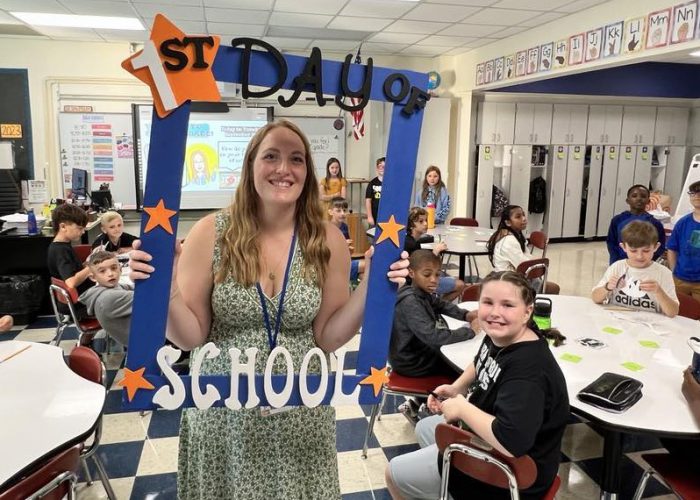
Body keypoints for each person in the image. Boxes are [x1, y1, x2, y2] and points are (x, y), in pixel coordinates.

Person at [129, 119, 409, 499]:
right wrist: (162, 291)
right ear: (250, 166)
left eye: (296, 159)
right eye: (271, 156)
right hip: (224, 412)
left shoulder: (327, 239)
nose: (283, 169)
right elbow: (189, 335)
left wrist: (372, 286)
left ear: (307, 172)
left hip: (300, 412)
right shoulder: (211, 232)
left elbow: (328, 337)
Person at [385, 271, 570, 500]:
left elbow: (511, 441)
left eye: (507, 305)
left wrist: (462, 408)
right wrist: (457, 387)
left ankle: (451, 484)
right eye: (488, 302)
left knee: (393, 473)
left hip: (513, 475)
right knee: (424, 428)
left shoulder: (528, 373)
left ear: (527, 312)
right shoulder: (503, 335)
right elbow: (482, 358)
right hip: (495, 444)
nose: (495, 313)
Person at [390, 250, 476, 379]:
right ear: (411, 273)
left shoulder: (419, 291)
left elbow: (440, 304)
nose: (434, 280)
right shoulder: (411, 301)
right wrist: (470, 331)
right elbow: (433, 336)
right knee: (468, 368)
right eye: (427, 275)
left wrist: (466, 315)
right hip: (412, 362)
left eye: (437, 275)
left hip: (418, 351)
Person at [592, 220, 679, 317]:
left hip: (650, 327)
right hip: (619, 323)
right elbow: (595, 298)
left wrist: (659, 291)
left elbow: (673, 312)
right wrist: (607, 287)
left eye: (646, 251)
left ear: (656, 247)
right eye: (633, 251)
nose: (639, 256)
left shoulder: (663, 273)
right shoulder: (617, 267)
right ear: (623, 247)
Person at [486, 205, 560, 294]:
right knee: (554, 288)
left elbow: (526, 256)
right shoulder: (509, 240)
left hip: (513, 277)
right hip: (509, 281)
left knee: (551, 287)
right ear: (508, 222)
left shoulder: (516, 235)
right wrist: (537, 262)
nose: (524, 219)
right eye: (518, 217)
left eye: (523, 215)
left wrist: (534, 261)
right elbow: (524, 267)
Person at [405, 207, 465, 302]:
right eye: (421, 221)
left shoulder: (411, 240)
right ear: (411, 225)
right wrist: (435, 251)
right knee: (460, 284)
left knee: (443, 274)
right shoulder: (410, 244)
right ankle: (436, 308)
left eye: (426, 220)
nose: (425, 224)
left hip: (416, 280)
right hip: (417, 283)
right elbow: (422, 266)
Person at [79, 250, 133, 345]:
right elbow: (148, 298)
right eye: (102, 271)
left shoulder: (113, 287)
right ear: (93, 278)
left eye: (114, 268)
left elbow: (133, 288)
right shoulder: (108, 298)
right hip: (141, 342)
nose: (110, 274)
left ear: (120, 270)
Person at [606, 184, 666, 265]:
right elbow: (611, 242)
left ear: (648, 201)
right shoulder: (617, 220)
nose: (639, 199)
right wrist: (616, 261)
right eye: (634, 196)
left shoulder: (654, 223)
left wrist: (648, 260)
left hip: (645, 263)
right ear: (628, 200)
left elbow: (660, 244)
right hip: (621, 262)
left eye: (643, 196)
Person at [47, 203, 93, 296]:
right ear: (63, 227)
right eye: (80, 228)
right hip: (80, 302)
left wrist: (87, 264)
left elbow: (73, 270)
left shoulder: (63, 246)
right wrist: (92, 267)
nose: (83, 232)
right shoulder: (60, 251)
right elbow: (71, 282)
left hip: (84, 295)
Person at [667, 180, 700, 301]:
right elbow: (672, 248)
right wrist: (674, 270)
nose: (697, 196)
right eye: (693, 193)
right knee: (680, 313)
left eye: (699, 192)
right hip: (680, 278)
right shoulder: (683, 222)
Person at [328, 196, 364, 281]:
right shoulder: (327, 228)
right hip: (333, 266)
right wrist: (342, 245)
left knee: (364, 274)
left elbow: (348, 252)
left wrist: (348, 249)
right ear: (330, 212)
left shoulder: (344, 227)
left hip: (344, 262)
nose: (342, 213)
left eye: (344, 210)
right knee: (367, 265)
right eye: (338, 210)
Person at [365, 156, 385, 227]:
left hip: (388, 216)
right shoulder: (372, 183)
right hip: (375, 215)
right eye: (380, 166)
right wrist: (369, 216)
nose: (382, 168)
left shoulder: (391, 184)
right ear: (377, 168)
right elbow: (368, 201)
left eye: (384, 166)